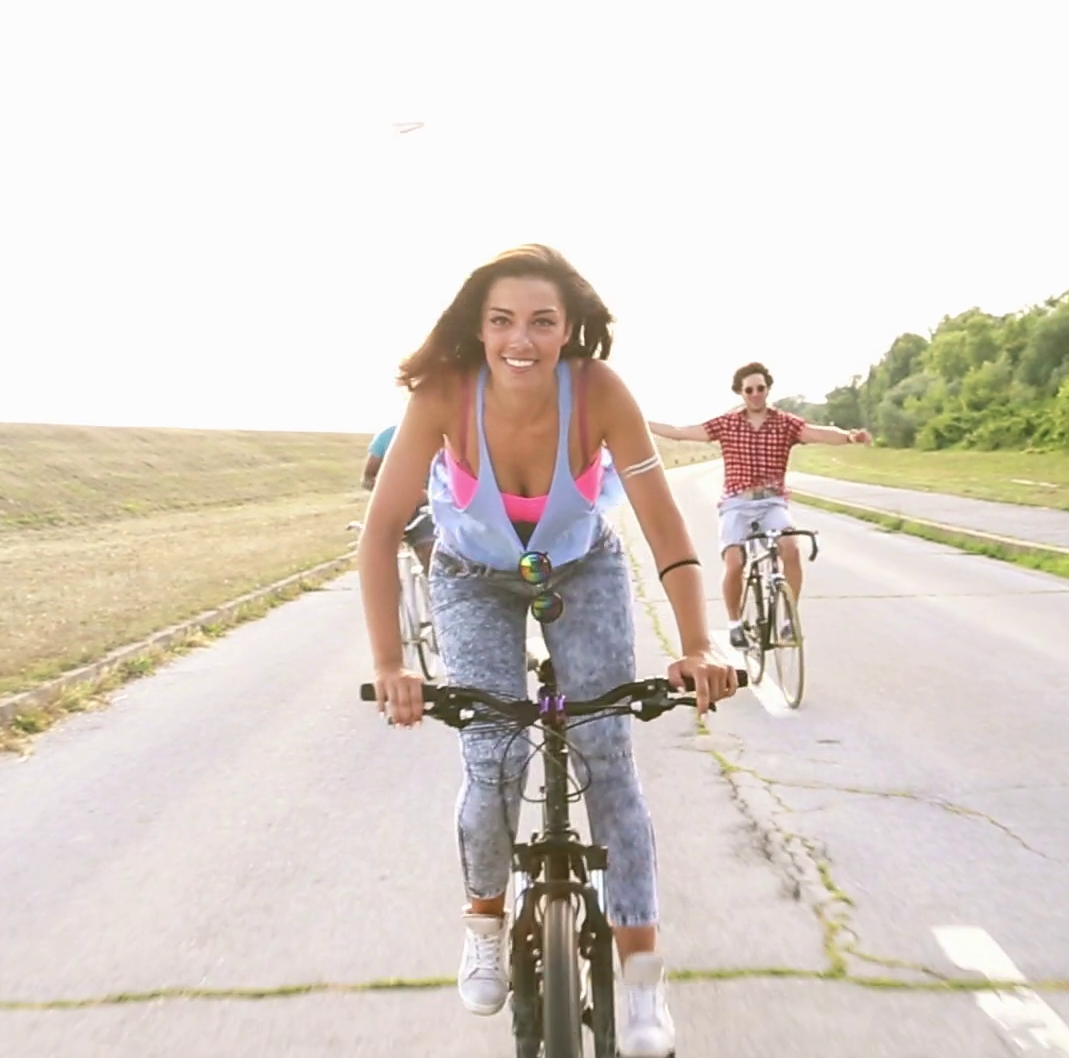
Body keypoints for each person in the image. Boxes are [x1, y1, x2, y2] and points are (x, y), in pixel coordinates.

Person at [360, 245, 737, 1058]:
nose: (520, 339)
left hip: (581, 565)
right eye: (502, 321)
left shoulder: (598, 392)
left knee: (609, 757)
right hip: (471, 577)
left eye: (541, 321)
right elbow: (382, 529)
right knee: (493, 756)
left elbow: (663, 525)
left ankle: (643, 986)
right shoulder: (444, 395)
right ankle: (484, 926)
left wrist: (698, 645)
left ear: (569, 330)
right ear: (479, 327)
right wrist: (392, 664)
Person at [647, 362, 870, 649]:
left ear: (768, 389)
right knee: (734, 562)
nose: (755, 394)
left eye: (760, 388)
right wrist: (640, 421)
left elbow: (818, 433)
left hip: (772, 502)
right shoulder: (728, 423)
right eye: (749, 390)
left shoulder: (785, 423)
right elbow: (681, 432)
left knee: (791, 549)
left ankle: (788, 619)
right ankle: (735, 623)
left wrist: (850, 437)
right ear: (740, 392)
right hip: (736, 503)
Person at [362, 424, 435, 572]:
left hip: (426, 508)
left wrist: (428, 496)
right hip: (392, 507)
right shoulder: (386, 436)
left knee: (430, 551)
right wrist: (391, 493)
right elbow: (367, 479)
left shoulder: (438, 433)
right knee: (376, 557)